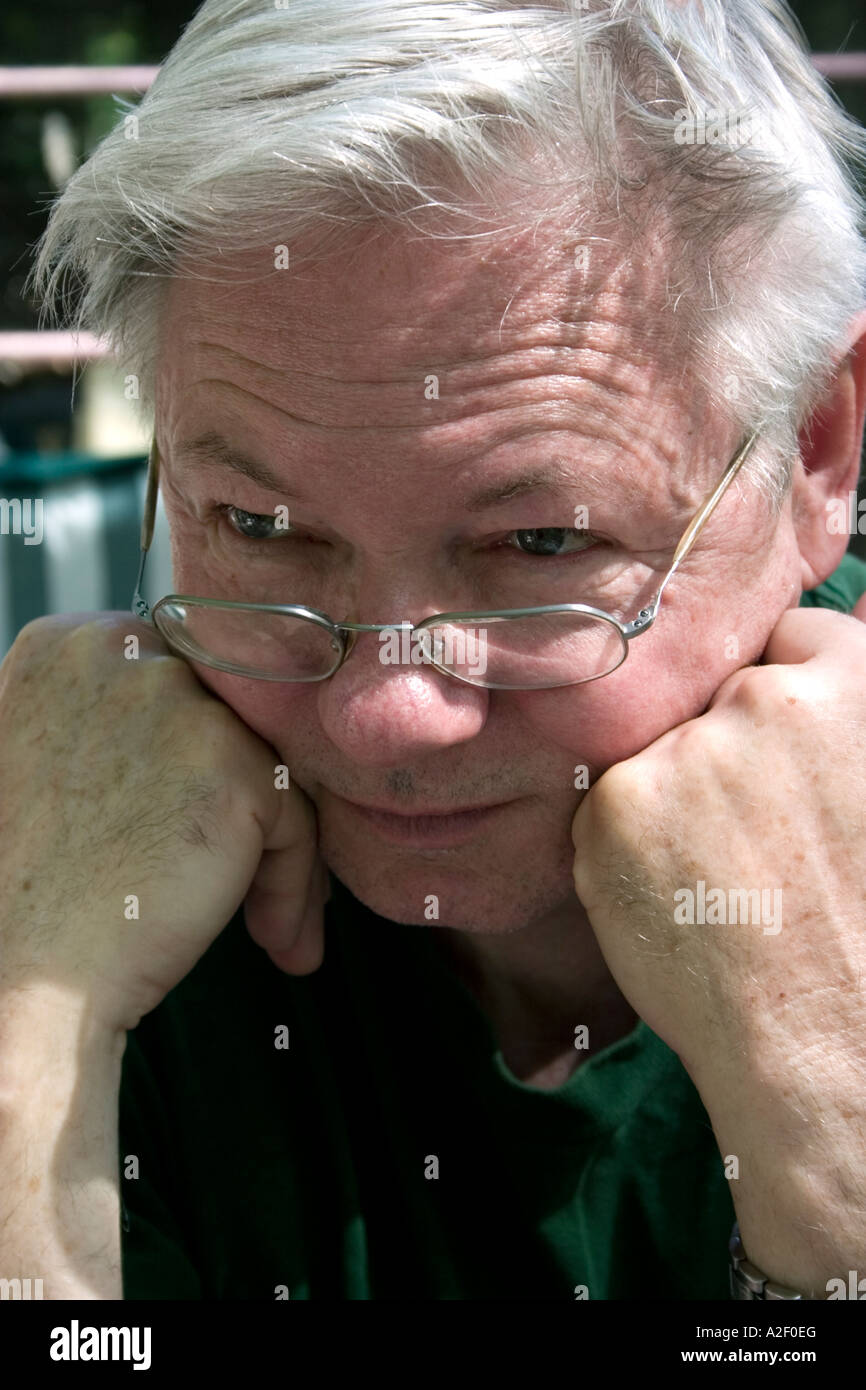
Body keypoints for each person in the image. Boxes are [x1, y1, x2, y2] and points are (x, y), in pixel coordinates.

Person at [3, 0, 866, 1301]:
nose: (380, 716)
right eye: (259, 529)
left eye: (536, 542)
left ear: (812, 454)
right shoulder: (68, 845)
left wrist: (831, 1183)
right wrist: (28, 1036)